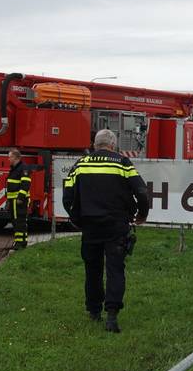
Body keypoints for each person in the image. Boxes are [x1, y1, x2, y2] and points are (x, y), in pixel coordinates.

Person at [62, 129, 150, 333]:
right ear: (113, 145)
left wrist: (76, 219)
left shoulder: (81, 164)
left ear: (94, 145)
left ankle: (94, 311)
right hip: (116, 225)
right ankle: (112, 315)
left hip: (90, 226)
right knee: (115, 269)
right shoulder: (122, 163)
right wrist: (142, 214)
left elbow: (67, 195)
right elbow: (141, 191)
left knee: (92, 270)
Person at [4, 148, 31, 250]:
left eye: (10, 157)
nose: (8, 159)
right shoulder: (14, 169)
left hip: (18, 200)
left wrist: (20, 197)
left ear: (16, 157)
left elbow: (26, 184)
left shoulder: (23, 168)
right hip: (13, 200)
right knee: (16, 221)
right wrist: (8, 200)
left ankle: (20, 243)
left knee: (19, 221)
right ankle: (21, 241)